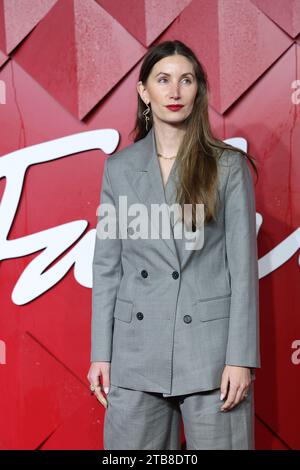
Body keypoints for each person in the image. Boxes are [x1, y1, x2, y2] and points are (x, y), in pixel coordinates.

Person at [87, 39, 261, 450]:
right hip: (135, 353)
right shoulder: (119, 169)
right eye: (163, 80)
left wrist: (240, 357)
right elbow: (108, 267)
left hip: (211, 355)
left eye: (186, 80)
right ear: (144, 91)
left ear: (198, 90)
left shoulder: (227, 165)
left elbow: (242, 268)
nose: (175, 91)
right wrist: (101, 353)